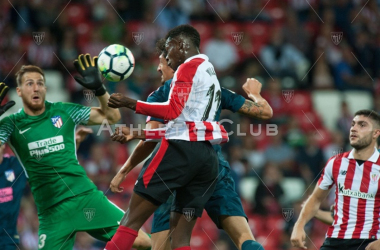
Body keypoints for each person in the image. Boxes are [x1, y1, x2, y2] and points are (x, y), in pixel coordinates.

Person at [109, 38, 272, 250]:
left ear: (177, 62)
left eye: (163, 61)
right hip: (212, 166)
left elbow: (151, 139)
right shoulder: (215, 88)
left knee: (161, 242)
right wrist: (255, 94)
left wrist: (125, 168)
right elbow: (265, 112)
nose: (159, 67)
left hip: (175, 162)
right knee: (244, 239)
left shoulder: (161, 93)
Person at [0, 55, 151, 250]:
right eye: (29, 84)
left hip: (85, 197)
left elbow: (112, 116)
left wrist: (99, 89)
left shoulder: (65, 111)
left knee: (143, 242)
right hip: (52, 211)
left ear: (46, 89)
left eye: (40, 83)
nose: (36, 88)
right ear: (19, 91)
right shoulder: (10, 124)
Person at [104, 24, 228, 250]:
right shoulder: (210, 71)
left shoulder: (187, 68)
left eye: (169, 49)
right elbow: (186, 122)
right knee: (181, 238)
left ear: (181, 45)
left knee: (131, 219)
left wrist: (129, 103)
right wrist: (136, 133)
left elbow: (172, 112)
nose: (167, 57)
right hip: (207, 159)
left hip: (180, 150)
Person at [291, 110, 380, 250]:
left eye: (362, 125)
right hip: (334, 241)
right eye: (353, 124)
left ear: (376, 133)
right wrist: (299, 225)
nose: (354, 129)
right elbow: (315, 199)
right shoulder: (336, 162)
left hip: (367, 242)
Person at [0, 126, 92, 250]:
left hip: (8, 242)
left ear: (3, 145)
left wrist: (73, 144)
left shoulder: (15, 166)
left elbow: (49, 165)